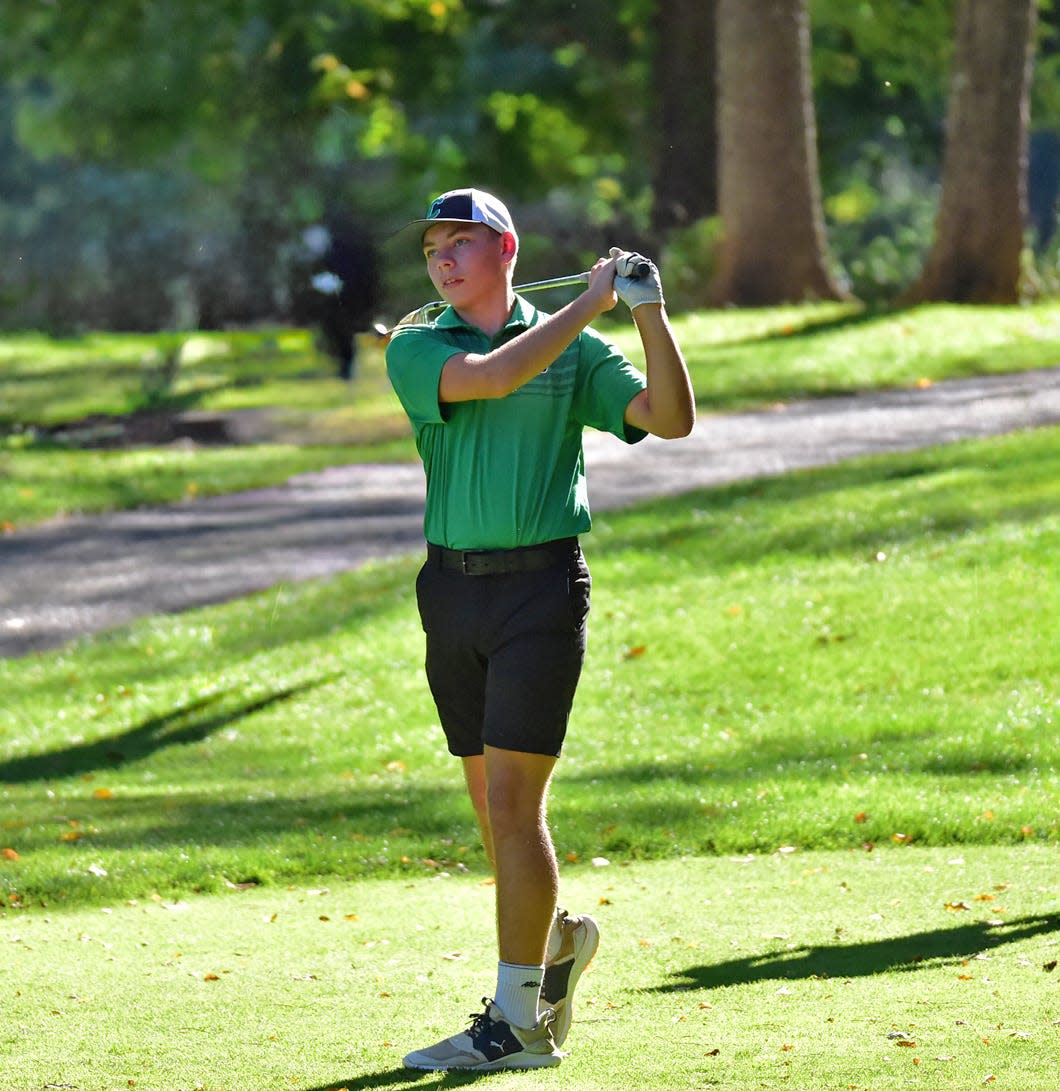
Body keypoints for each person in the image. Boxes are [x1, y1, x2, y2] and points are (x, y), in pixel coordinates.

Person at [385, 188, 694, 1071]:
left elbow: (670, 419)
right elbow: (490, 379)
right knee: (494, 811)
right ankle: (555, 941)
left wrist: (648, 314)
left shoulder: (578, 351)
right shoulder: (418, 344)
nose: (442, 261)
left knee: (517, 807)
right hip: (450, 594)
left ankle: (515, 1020)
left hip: (540, 595)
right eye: (433, 249)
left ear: (507, 247)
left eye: (461, 244)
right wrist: (590, 303)